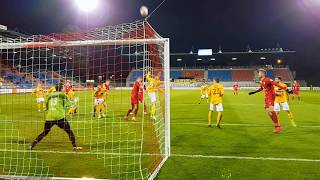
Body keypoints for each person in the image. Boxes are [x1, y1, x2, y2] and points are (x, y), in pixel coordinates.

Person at [29, 83, 82, 151]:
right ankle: (74, 146)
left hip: (49, 117)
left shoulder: (50, 95)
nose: (64, 88)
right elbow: (68, 105)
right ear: (61, 88)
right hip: (59, 117)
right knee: (69, 132)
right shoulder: (62, 95)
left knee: (45, 132)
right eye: (63, 87)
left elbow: (47, 106)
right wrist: (75, 101)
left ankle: (32, 145)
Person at [248, 69, 287, 133]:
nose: (258, 74)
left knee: (271, 110)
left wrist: (285, 88)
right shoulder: (262, 80)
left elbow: (274, 83)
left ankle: (278, 126)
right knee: (269, 112)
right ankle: (276, 125)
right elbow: (261, 88)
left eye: (259, 72)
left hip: (271, 97)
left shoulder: (267, 79)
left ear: (263, 73)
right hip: (266, 98)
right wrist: (254, 92)